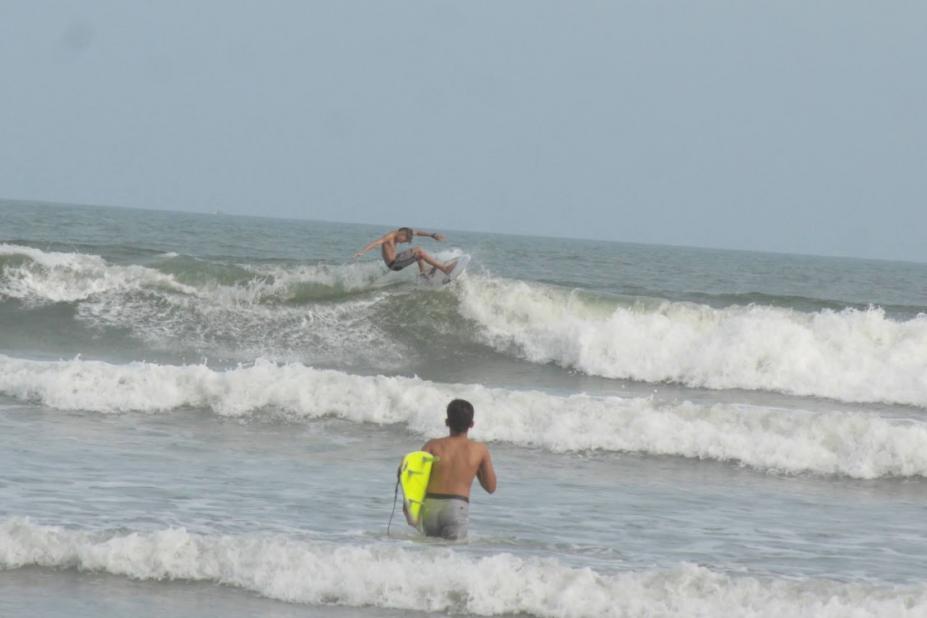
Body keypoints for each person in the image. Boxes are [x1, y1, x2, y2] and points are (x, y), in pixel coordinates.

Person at [409, 399, 497, 540]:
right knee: (452, 556)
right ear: (472, 424)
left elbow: (414, 481)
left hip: (429, 507)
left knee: (428, 555)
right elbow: (491, 487)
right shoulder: (479, 450)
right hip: (456, 507)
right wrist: (476, 468)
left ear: (447, 422)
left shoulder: (432, 446)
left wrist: (409, 510)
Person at [353, 227, 453, 276]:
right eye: (404, 240)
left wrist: (432, 235)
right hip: (394, 264)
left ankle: (423, 274)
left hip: (397, 259)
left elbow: (417, 232)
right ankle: (444, 269)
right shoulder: (389, 237)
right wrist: (362, 252)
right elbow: (375, 243)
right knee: (419, 251)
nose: (403, 242)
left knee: (417, 251)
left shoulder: (403, 232)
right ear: (402, 235)